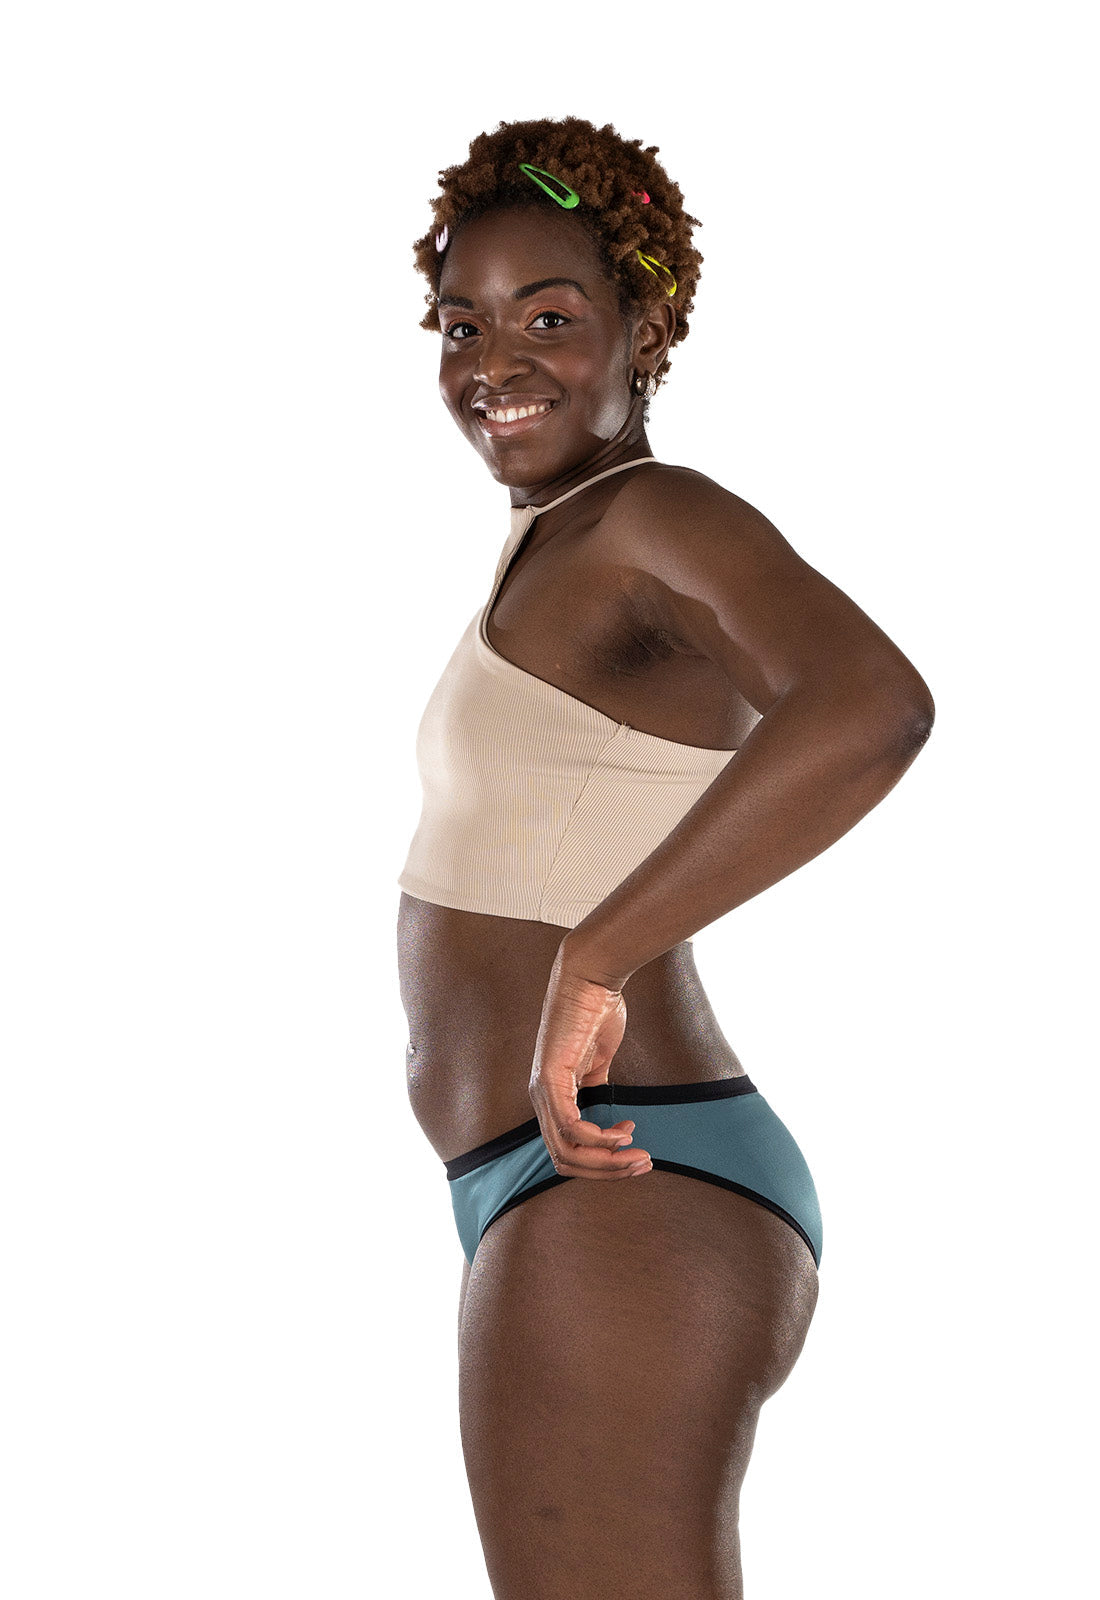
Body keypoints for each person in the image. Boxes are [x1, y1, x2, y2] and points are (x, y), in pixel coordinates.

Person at [396, 116, 934, 1600]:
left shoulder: (654, 516)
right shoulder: (562, 538)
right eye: (462, 323)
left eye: (549, 317)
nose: (493, 361)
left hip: (626, 1168)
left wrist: (596, 956)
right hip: (564, 1174)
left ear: (648, 326)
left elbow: (872, 706)